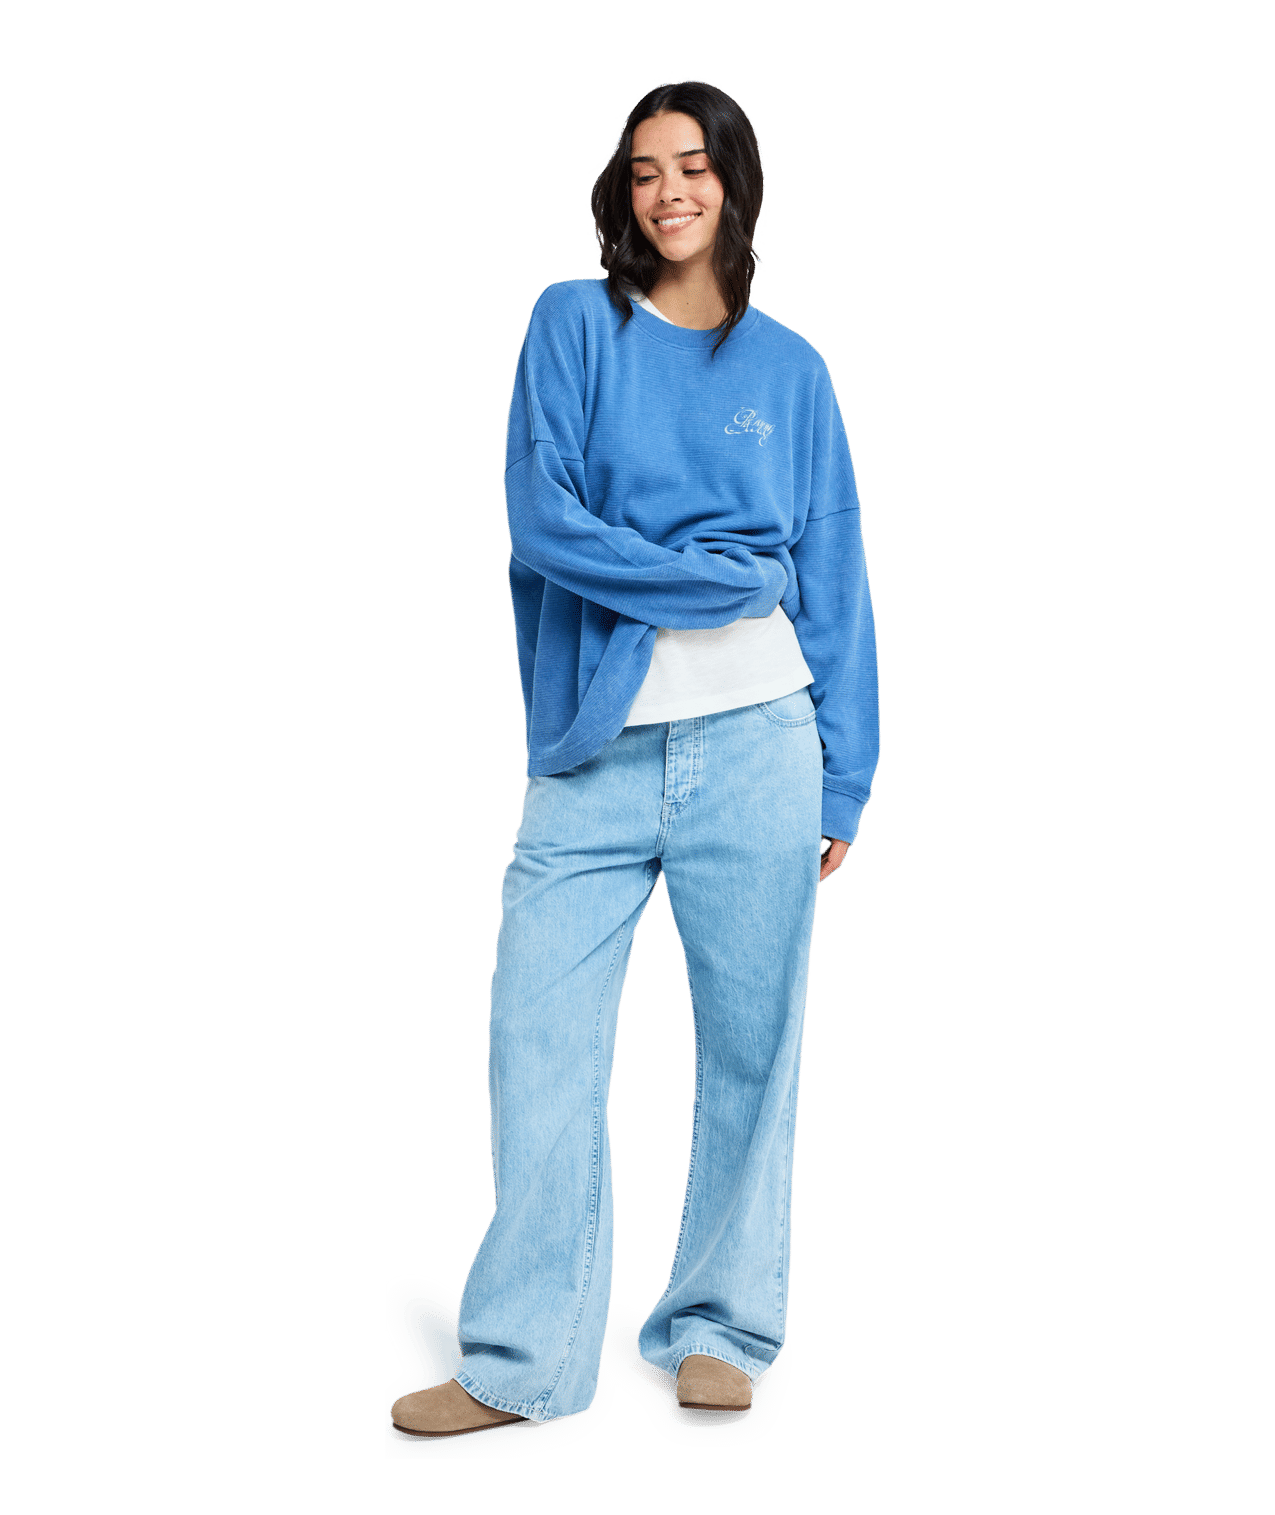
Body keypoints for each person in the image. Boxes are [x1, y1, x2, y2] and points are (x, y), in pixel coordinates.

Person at [391, 77, 881, 1441]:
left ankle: (719, 1331)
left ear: (736, 185)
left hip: (764, 744)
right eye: (647, 169)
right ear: (623, 190)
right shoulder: (573, 324)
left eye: (695, 166)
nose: (670, 190)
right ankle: (524, 1364)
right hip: (595, 755)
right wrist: (715, 578)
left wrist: (845, 776)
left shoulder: (792, 370)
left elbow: (833, 579)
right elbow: (543, 520)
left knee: (751, 1053)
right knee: (535, 1041)